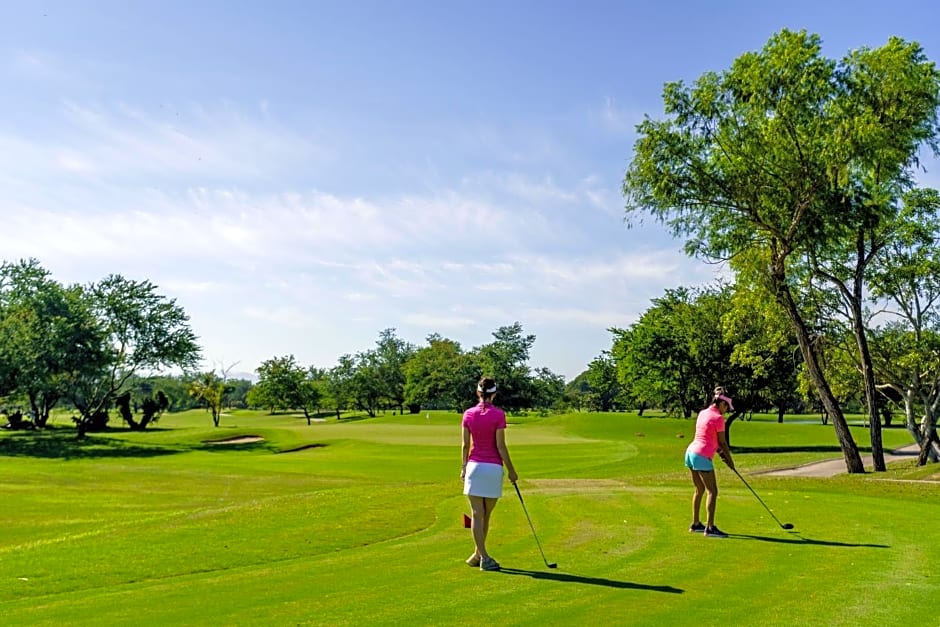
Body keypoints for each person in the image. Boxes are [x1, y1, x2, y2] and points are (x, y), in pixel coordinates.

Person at [460, 376, 518, 571]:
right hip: (493, 468)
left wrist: (463, 468)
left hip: (474, 467)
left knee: (477, 514)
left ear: (478, 392)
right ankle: (484, 557)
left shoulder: (468, 414)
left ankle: (478, 555)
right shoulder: (499, 415)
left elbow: (465, 445)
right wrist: (511, 470)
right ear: (494, 394)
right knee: (486, 516)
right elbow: (501, 446)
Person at [684, 386, 736, 538]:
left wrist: (720, 453)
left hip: (690, 453)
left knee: (699, 489)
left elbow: (709, 438)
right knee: (712, 491)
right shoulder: (719, 418)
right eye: (726, 406)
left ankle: (695, 524)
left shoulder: (703, 412)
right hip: (701, 456)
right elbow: (723, 443)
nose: (727, 410)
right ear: (721, 403)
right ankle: (710, 528)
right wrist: (730, 461)